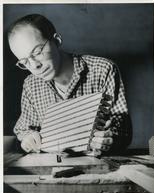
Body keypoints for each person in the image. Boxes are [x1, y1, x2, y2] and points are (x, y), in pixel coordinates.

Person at [8, 14, 132, 155]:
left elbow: (123, 131)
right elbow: (24, 129)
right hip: (52, 167)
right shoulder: (31, 84)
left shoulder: (103, 70)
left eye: (37, 52)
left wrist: (109, 139)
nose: (34, 65)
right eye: (24, 62)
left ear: (57, 40)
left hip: (97, 165)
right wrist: (27, 139)